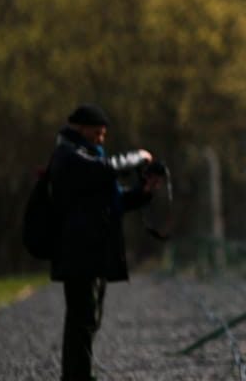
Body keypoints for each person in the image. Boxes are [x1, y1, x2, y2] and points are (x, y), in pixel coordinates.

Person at [48, 104, 162, 381]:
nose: (101, 139)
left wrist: (143, 193)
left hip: (92, 250)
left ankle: (78, 374)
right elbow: (103, 170)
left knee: (88, 319)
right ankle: (77, 376)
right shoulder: (69, 155)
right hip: (78, 251)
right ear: (80, 128)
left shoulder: (87, 155)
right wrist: (138, 157)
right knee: (81, 319)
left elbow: (113, 200)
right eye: (97, 133)